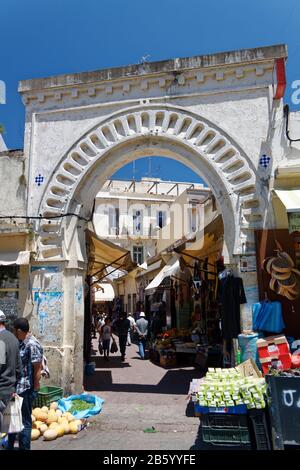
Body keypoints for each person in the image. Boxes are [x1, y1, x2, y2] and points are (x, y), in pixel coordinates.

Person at [8, 318, 43, 450]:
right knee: (12, 420)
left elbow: (37, 368)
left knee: (25, 422)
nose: (13, 333)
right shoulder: (21, 342)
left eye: (14, 331)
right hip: (16, 388)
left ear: (19, 331)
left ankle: (24, 448)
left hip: (26, 389)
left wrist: (35, 388)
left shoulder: (33, 344)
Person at [0, 311, 22, 433]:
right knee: (6, 429)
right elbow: (19, 369)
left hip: (1, 391)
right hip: (10, 390)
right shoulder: (13, 339)